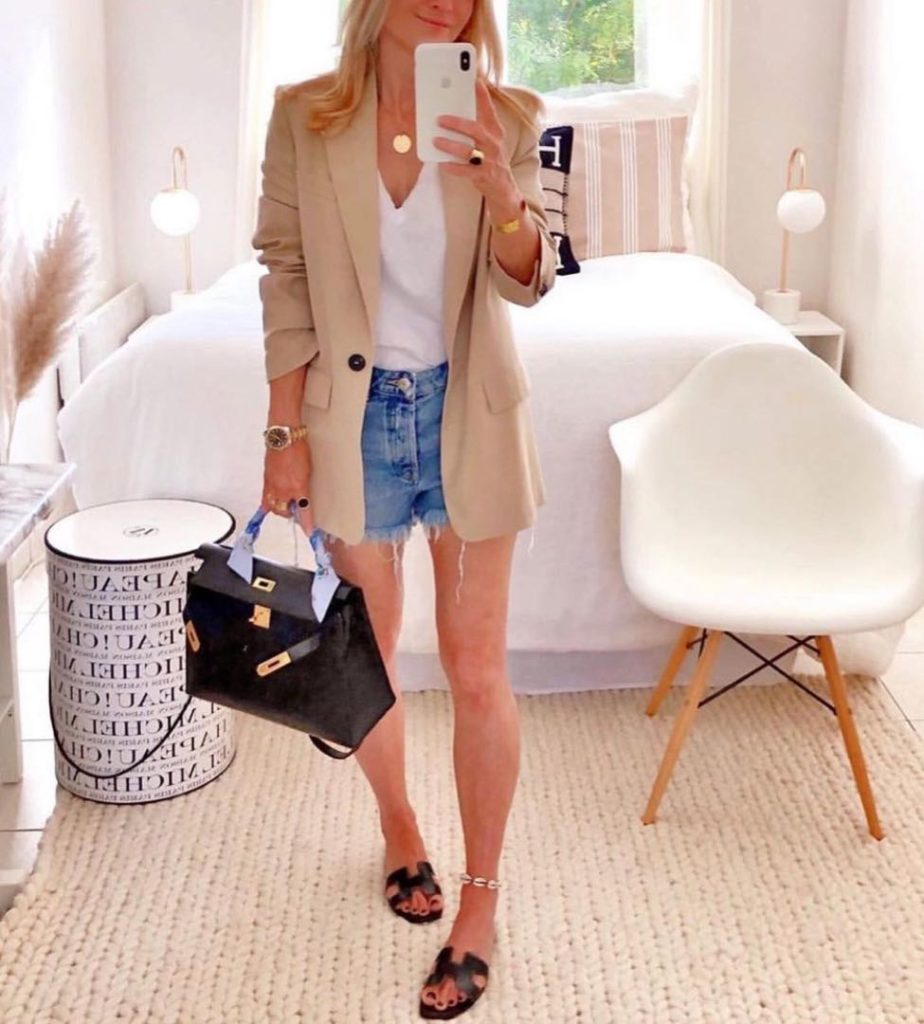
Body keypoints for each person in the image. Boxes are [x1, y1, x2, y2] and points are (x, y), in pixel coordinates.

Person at [252, 0, 556, 1017]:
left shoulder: (507, 114)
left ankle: (480, 899)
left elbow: (531, 282)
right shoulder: (306, 115)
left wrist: (505, 195)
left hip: (468, 412)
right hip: (352, 420)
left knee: (477, 669)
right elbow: (286, 274)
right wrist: (283, 435)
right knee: (371, 657)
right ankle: (398, 825)